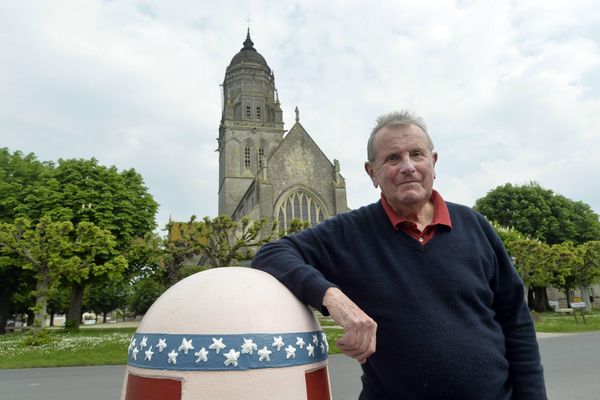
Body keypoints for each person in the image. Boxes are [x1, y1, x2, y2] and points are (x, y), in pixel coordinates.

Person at [251, 110, 547, 399]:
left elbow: (516, 322)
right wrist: (332, 297)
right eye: (392, 158)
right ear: (373, 173)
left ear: (433, 162)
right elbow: (271, 254)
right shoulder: (350, 232)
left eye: (417, 154)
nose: (408, 166)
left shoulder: (475, 225)